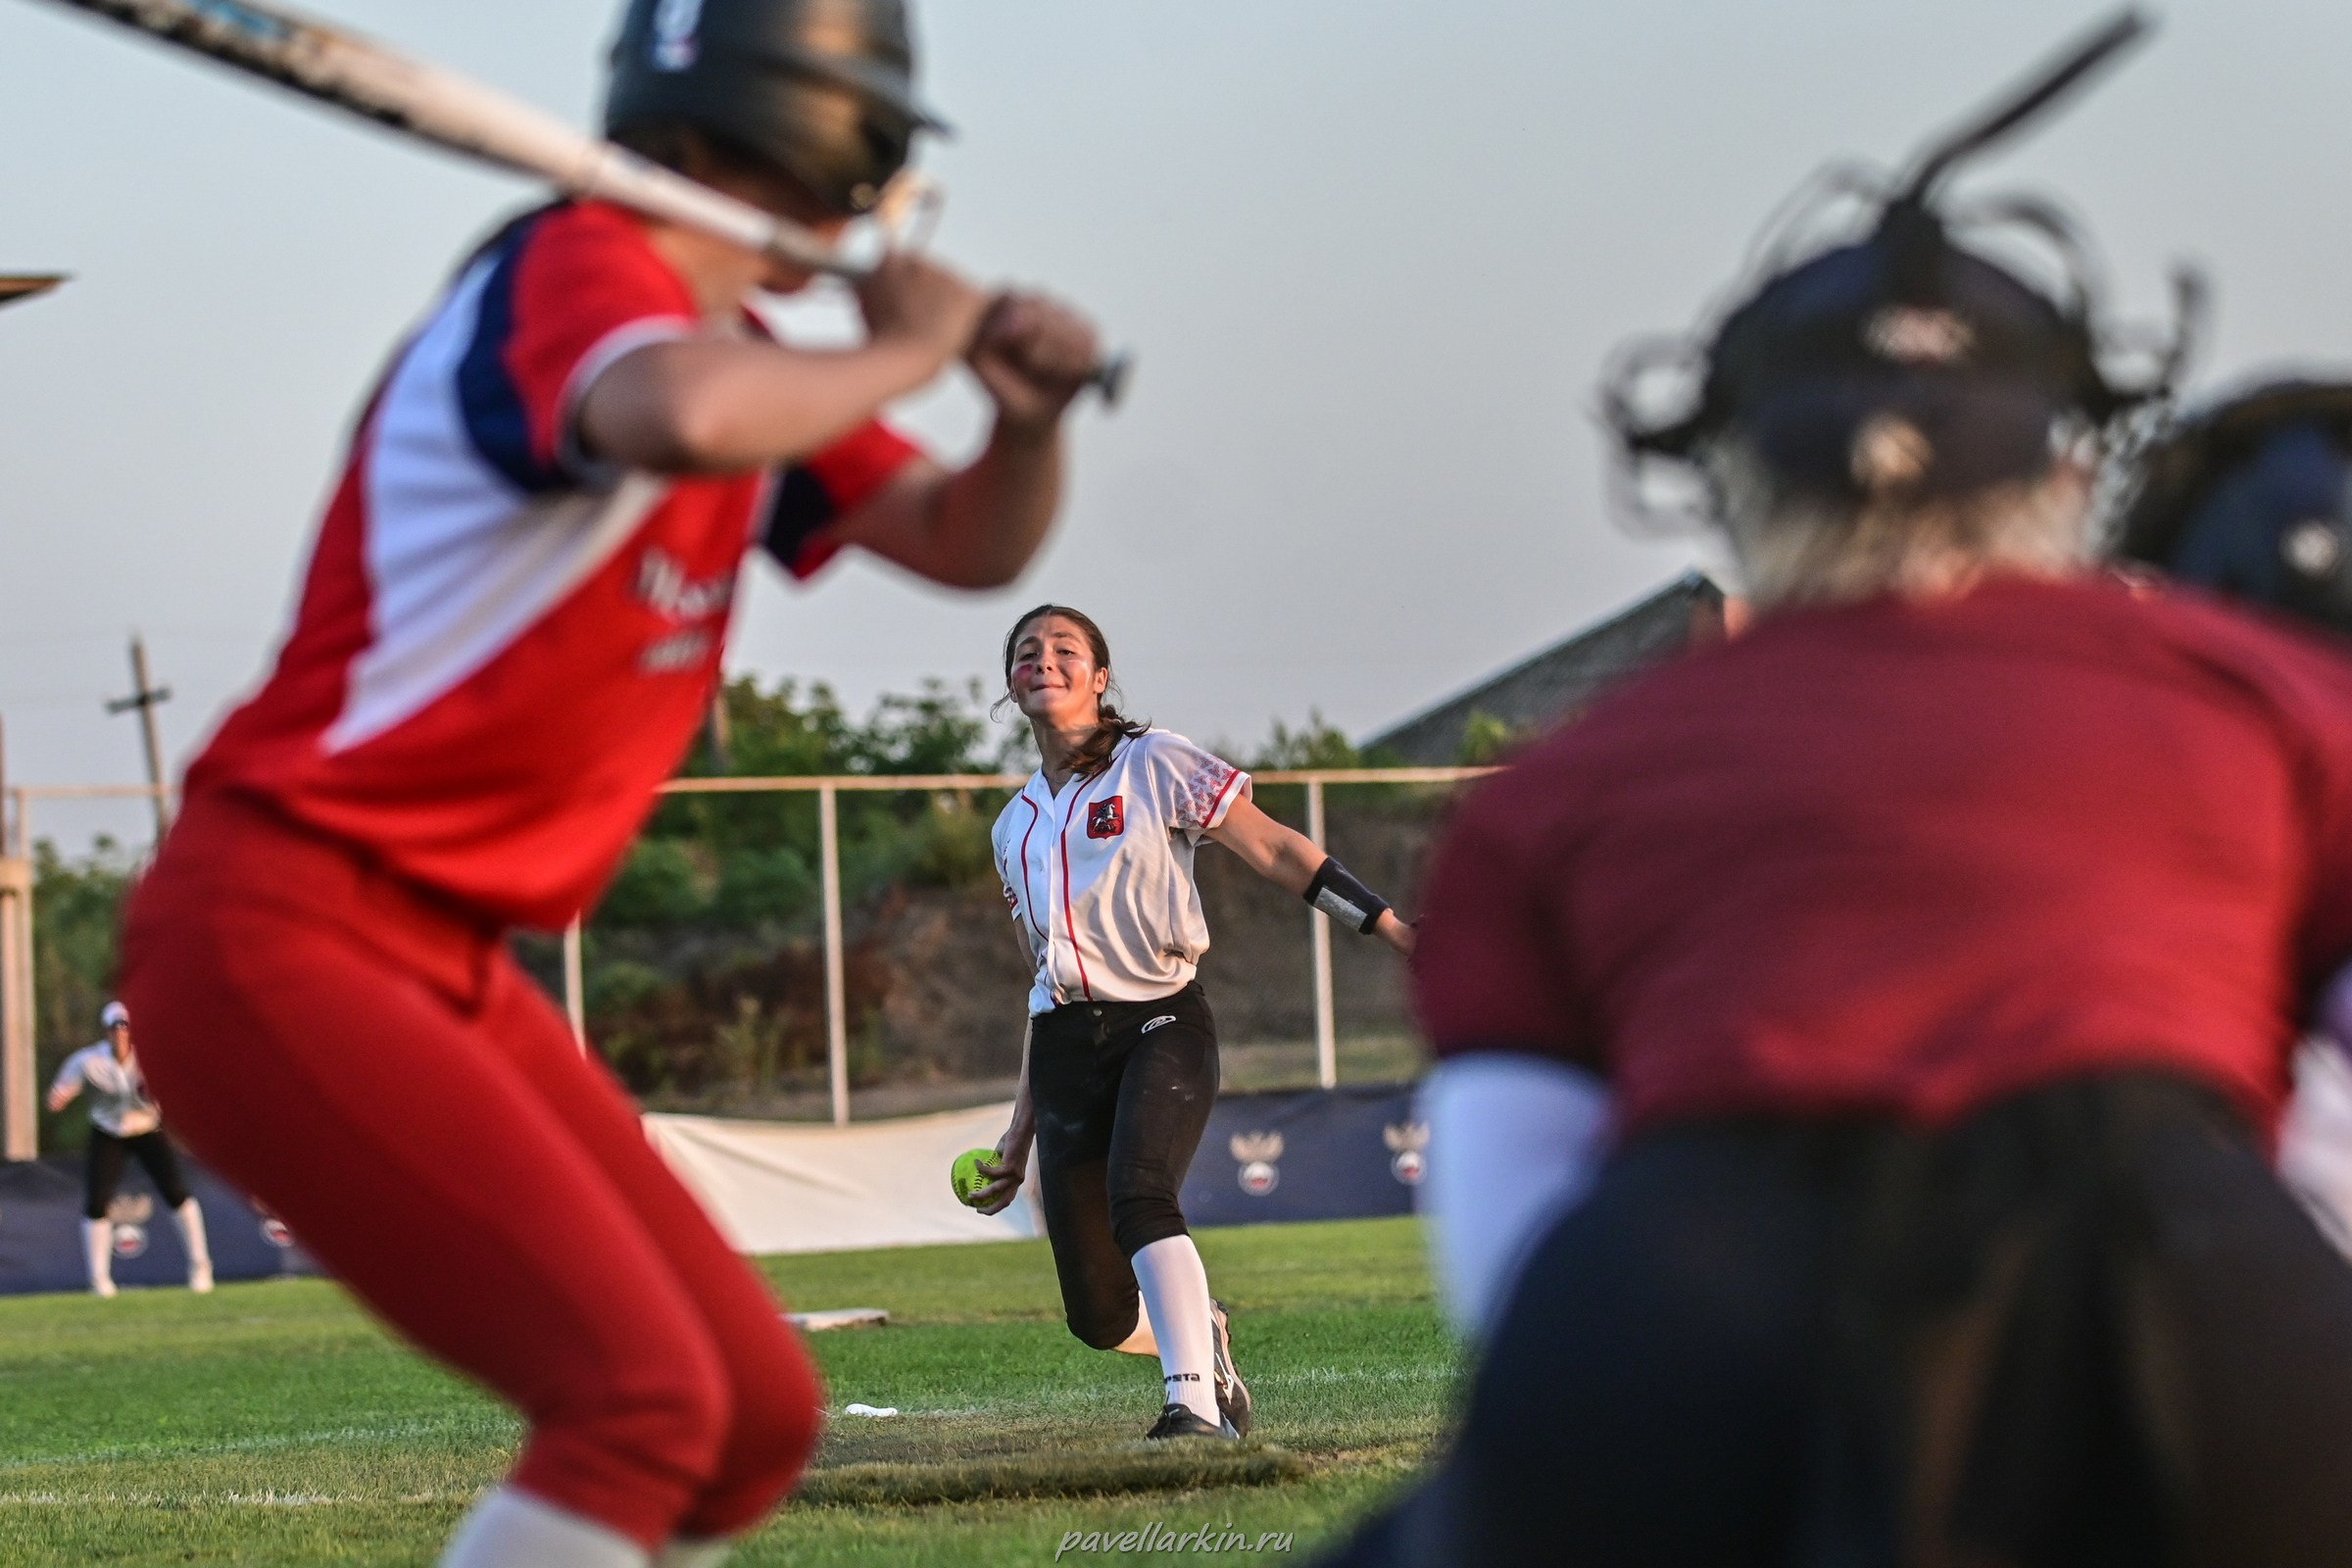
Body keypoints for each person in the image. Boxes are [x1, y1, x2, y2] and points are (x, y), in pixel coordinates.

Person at [1328, 22, 2352, 1568]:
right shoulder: (2260, 698)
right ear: (2068, 473)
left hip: (1686, 1281)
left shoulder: (1571, 782)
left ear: (1728, 475)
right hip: (2170, 1263)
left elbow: (1512, 1221)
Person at [115, 2, 1102, 1564]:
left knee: (749, 1414)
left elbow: (964, 539)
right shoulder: (583, 268)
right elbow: (678, 414)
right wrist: (911, 345)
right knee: (644, 1401)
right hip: (283, 931)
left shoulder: (750, 358)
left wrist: (1023, 420)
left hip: (440, 958)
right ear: (830, 142)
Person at [966, 605, 1413, 1440]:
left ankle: (1193, 1410)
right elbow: (1041, 985)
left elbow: (1276, 849)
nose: (1045, 660)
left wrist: (1391, 928)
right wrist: (1017, 1137)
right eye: (1027, 651)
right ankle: (1202, 1331)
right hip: (1065, 1047)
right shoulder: (1012, 826)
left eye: (1066, 649)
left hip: (1161, 1020)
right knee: (1098, 1315)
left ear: (1100, 678)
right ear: (1011, 684)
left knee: (1141, 1194)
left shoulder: (1154, 761)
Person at [46, 1000, 212, 1298]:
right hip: (108, 1131)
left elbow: (179, 1086)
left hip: (147, 1128)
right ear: (106, 1031)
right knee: (98, 1200)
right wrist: (60, 1096)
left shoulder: (151, 1056)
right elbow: (64, 1087)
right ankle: (99, 1280)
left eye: (125, 1026)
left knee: (176, 1191)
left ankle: (201, 1266)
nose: (120, 1032)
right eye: (115, 1027)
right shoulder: (88, 1061)